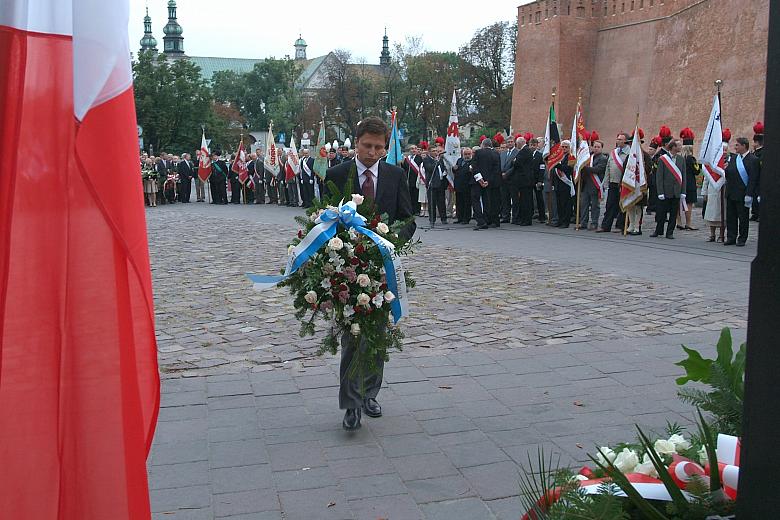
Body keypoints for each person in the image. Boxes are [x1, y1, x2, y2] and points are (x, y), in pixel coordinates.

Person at [326, 116, 416, 431]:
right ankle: (351, 405)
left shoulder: (395, 175)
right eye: (367, 146)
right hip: (347, 268)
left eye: (379, 147)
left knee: (376, 335)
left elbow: (408, 217)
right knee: (353, 336)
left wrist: (390, 240)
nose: (373, 153)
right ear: (357, 142)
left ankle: (369, 393)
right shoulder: (338, 173)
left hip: (382, 268)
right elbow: (322, 218)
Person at [724, 136, 760, 246]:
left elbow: (754, 179)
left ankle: (742, 238)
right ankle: (731, 237)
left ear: (744, 146)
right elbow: (729, 174)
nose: (735, 147)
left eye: (737, 145)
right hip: (731, 192)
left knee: (743, 218)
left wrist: (749, 194)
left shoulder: (753, 160)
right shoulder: (734, 158)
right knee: (731, 217)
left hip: (743, 193)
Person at [652, 138, 686, 239]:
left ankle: (670, 232)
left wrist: (683, 191)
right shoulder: (663, 159)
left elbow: (683, 177)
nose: (681, 147)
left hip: (676, 191)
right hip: (665, 191)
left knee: (673, 213)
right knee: (661, 213)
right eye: (679, 145)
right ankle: (659, 230)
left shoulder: (681, 159)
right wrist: (660, 192)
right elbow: (659, 177)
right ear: (673, 147)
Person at [596, 132, 629, 232]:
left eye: (620, 139)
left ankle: (620, 226)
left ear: (625, 141)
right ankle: (606, 226)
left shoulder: (630, 153)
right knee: (609, 204)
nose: (618, 141)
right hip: (613, 182)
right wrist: (605, 182)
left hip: (623, 183)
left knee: (622, 206)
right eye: (617, 139)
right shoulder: (613, 152)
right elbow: (608, 168)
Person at [702, 140, 730, 242]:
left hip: (725, 190)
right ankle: (712, 234)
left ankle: (721, 235)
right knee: (711, 213)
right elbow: (706, 178)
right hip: (713, 190)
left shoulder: (731, 161)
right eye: (723, 150)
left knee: (723, 214)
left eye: (726, 150)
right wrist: (704, 192)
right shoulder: (712, 162)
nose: (725, 152)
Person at [473, 138, 502, 227]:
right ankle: (494, 220)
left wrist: (480, 180)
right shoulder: (496, 154)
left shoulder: (478, 153)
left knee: (480, 200)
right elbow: (496, 170)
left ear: (483, 144)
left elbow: (475, 167)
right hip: (493, 182)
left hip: (480, 182)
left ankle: (484, 220)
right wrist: (488, 181)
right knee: (493, 201)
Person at [579, 139, 607, 230]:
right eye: (595, 146)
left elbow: (598, 169)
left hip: (595, 185)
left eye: (598, 147)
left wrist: (585, 168)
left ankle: (594, 223)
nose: (596, 148)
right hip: (586, 184)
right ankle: (583, 222)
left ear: (601, 148)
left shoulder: (603, 158)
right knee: (584, 205)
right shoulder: (588, 157)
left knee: (595, 206)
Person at [676, 128, 699, 230]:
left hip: (679, 182)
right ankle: (688, 223)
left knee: (678, 203)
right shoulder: (691, 158)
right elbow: (697, 171)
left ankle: (679, 222)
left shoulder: (678, 158)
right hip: (689, 184)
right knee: (688, 204)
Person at [510, 136, 535, 225]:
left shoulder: (524, 151)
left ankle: (526, 220)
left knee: (525, 201)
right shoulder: (526, 150)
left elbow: (517, 163)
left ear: (520, 143)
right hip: (525, 180)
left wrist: (514, 161)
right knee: (524, 200)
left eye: (517, 143)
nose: (516, 145)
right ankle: (524, 219)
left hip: (525, 180)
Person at [552, 140, 574, 228]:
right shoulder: (559, 156)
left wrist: (557, 165)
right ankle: (560, 220)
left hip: (566, 183)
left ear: (569, 148)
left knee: (566, 204)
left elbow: (568, 168)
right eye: (563, 147)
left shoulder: (571, 157)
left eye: (566, 147)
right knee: (559, 204)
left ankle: (566, 222)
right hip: (558, 184)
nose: (564, 148)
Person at [426, 143, 448, 225]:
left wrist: (444, 171)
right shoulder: (427, 160)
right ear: (429, 152)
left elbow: (442, 168)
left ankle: (444, 218)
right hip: (432, 184)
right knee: (432, 203)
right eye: (433, 151)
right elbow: (430, 168)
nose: (436, 153)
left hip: (440, 183)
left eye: (436, 151)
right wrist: (436, 161)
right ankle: (432, 219)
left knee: (441, 202)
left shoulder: (439, 159)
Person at [499, 134, 518, 223]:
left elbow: (516, 166)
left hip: (512, 179)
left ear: (514, 143)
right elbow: (500, 165)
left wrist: (507, 173)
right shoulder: (502, 153)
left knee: (514, 199)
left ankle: (514, 217)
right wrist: (501, 173)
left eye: (511, 142)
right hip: (503, 180)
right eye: (508, 142)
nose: (510, 143)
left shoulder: (517, 152)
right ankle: (505, 216)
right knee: (504, 199)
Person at [453, 147, 474, 224]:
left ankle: (466, 218)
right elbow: (456, 170)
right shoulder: (459, 160)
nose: (467, 156)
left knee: (467, 203)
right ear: (462, 154)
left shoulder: (472, 161)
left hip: (467, 185)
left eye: (469, 154)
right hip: (458, 185)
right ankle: (459, 217)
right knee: (459, 202)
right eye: (465, 154)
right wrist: (454, 169)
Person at [530, 136, 547, 223]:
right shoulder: (528, 154)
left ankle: (542, 216)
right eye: (531, 145)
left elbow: (542, 168)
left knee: (539, 198)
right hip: (529, 180)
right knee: (529, 198)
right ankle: (530, 214)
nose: (532, 147)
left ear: (537, 145)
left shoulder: (540, 156)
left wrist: (540, 181)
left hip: (537, 180)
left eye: (534, 145)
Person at [403, 145, 422, 215]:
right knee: (409, 196)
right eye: (412, 149)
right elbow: (404, 169)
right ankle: (411, 210)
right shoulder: (407, 159)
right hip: (409, 180)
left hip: (417, 180)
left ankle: (417, 210)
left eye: (415, 149)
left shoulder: (420, 158)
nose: (414, 150)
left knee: (416, 196)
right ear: (409, 150)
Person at [751, 121, 764, 221]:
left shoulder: (762, 153)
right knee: (754, 196)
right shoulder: (755, 153)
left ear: (757, 142)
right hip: (754, 178)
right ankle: (755, 213)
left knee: (759, 197)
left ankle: (760, 214)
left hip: (760, 178)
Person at [417, 142, 430, 217]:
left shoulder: (428, 163)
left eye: (425, 155)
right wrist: (418, 182)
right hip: (422, 182)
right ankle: (423, 209)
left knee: (427, 197)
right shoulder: (421, 164)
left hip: (427, 182)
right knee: (422, 197)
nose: (423, 156)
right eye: (422, 155)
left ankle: (427, 210)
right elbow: (419, 173)